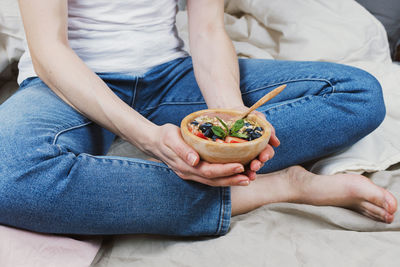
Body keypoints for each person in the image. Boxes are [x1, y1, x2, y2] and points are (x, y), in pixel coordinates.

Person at [0, 0, 397, 236]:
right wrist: (150, 139)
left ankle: (212, 170)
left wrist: (232, 124)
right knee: (9, 175)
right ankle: (277, 186)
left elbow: (207, 32)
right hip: (67, 86)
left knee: (357, 93)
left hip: (169, 77)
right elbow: (49, 50)